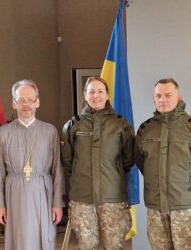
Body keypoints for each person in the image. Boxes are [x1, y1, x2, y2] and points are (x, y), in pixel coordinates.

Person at [61, 76, 134, 249]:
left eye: (100, 91)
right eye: (91, 91)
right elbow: (68, 161)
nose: (96, 96)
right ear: (85, 95)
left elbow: (128, 160)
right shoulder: (72, 126)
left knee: (114, 246)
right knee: (87, 246)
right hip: (82, 200)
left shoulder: (121, 125)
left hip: (113, 199)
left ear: (107, 95)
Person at [0, 79, 64, 250]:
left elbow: (57, 171)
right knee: (19, 240)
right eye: (21, 100)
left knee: (43, 239)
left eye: (30, 100)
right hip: (14, 191)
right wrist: (0, 205)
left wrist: (57, 203)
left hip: (42, 190)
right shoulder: (3, 132)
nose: (26, 105)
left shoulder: (50, 131)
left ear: (37, 102)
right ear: (14, 103)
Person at [135, 78, 191, 250]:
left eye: (168, 95)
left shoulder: (189, 126)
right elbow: (141, 162)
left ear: (178, 97)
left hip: (185, 206)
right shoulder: (145, 129)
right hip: (156, 207)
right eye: (158, 96)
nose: (163, 99)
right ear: (154, 99)